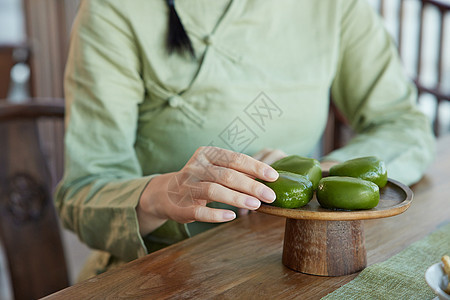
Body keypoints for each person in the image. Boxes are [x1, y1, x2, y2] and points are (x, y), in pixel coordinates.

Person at [55, 0, 435, 280]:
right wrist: (163, 194)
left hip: (302, 259)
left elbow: (402, 122)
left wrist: (324, 177)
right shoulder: (115, 11)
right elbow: (81, 194)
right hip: (167, 270)